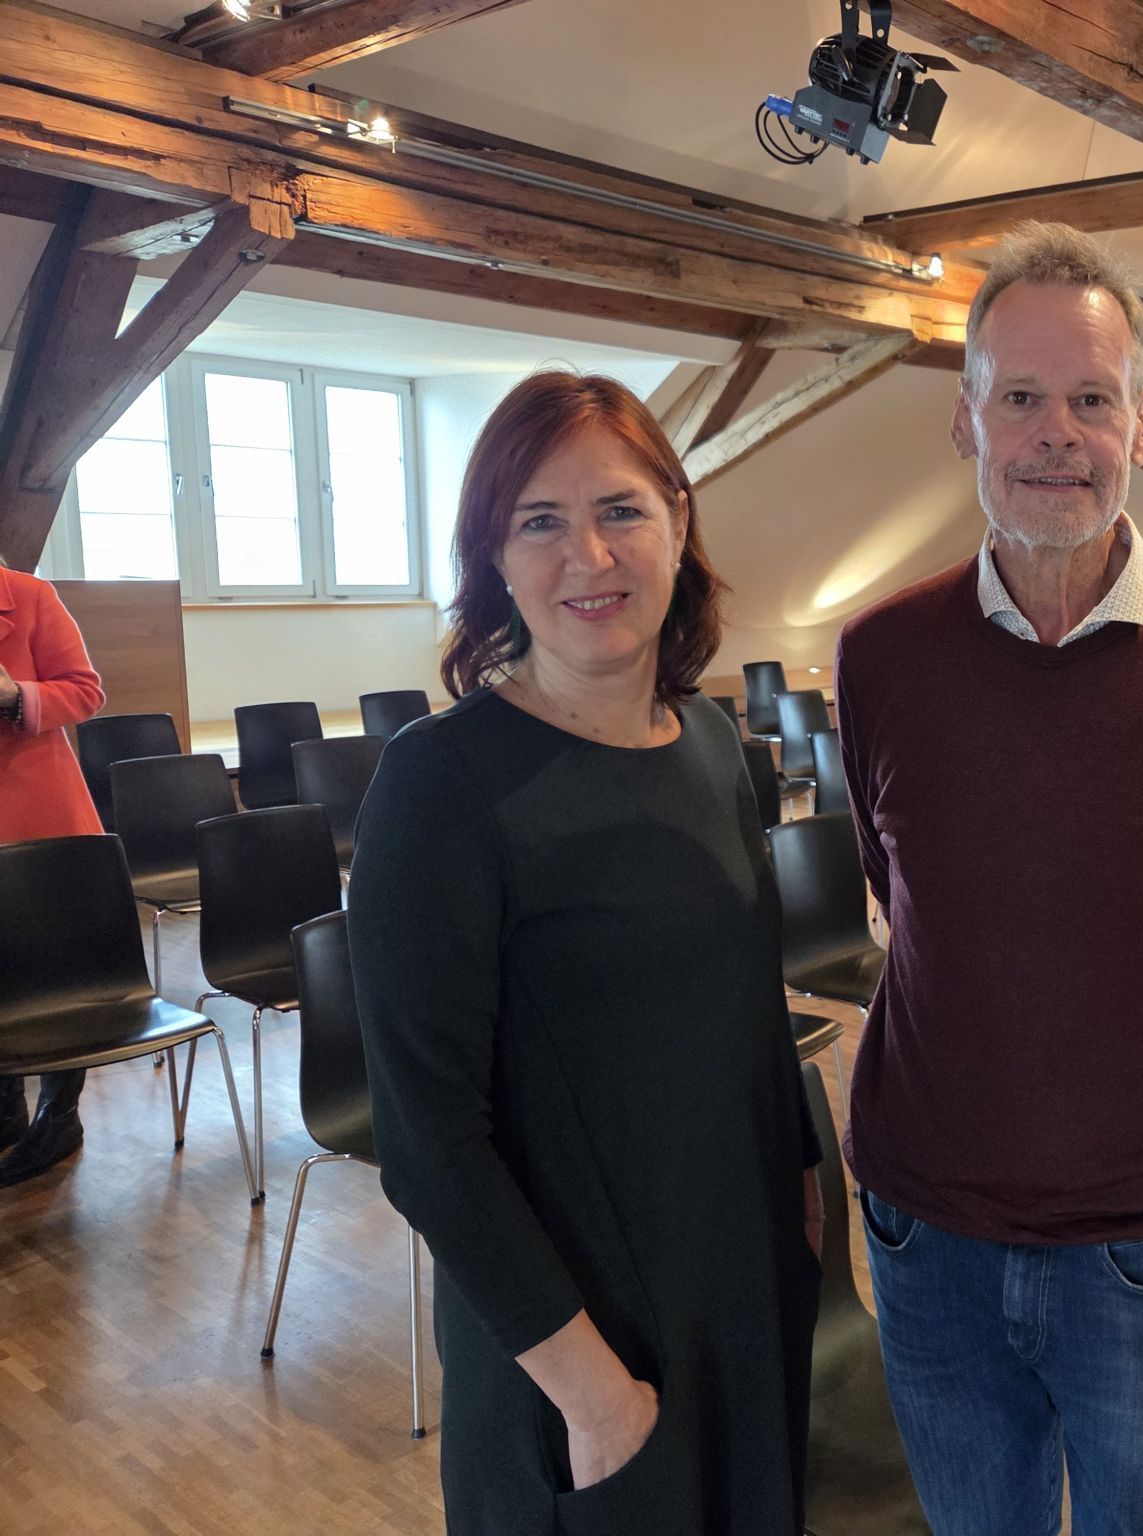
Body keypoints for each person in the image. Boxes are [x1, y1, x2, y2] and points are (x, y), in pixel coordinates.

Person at [833, 222, 1143, 1534]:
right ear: (967, 419)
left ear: (1141, 428)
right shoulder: (879, 657)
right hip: (926, 1231)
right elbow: (900, 882)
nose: (1058, 435)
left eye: (1091, 400)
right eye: (1023, 398)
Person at [349, 372, 823, 1536]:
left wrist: (805, 1209)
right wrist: (593, 1396)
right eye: (539, 523)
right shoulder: (439, 784)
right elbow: (424, 1140)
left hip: (735, 1280)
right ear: (494, 559)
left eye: (619, 510)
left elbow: (749, 1013)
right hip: (577, 1339)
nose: (589, 558)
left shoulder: (711, 741)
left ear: (675, 520)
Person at [0, 554, 108, 1187]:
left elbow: (86, 689)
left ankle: (59, 1115)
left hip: (43, 814)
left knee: (56, 968)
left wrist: (17, 694)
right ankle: (5, 1107)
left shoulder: (30, 596)